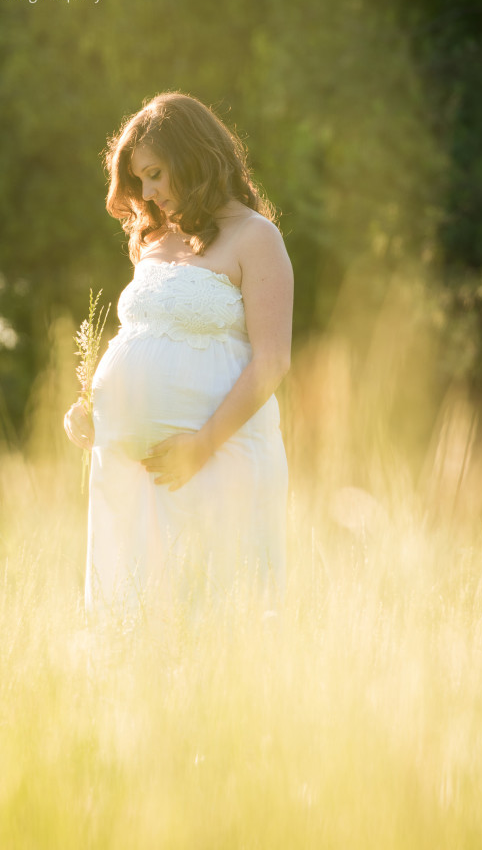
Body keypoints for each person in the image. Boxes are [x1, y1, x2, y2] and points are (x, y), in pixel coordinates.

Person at [64, 92, 294, 613]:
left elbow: (272, 362)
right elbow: (143, 334)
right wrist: (90, 407)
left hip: (218, 459)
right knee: (135, 617)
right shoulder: (152, 240)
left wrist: (202, 444)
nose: (149, 192)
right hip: (131, 475)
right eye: (139, 180)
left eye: (156, 174)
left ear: (196, 157)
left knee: (213, 613)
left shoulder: (256, 238)